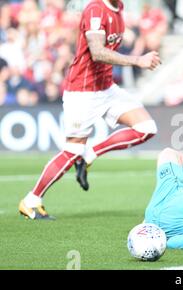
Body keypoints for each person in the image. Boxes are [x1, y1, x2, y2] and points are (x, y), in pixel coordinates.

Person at [19, 0, 161, 220]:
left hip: (106, 88)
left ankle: (91, 153)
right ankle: (31, 200)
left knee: (146, 127)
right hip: (83, 91)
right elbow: (96, 52)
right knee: (72, 150)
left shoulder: (119, 7)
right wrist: (137, 60)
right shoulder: (95, 9)